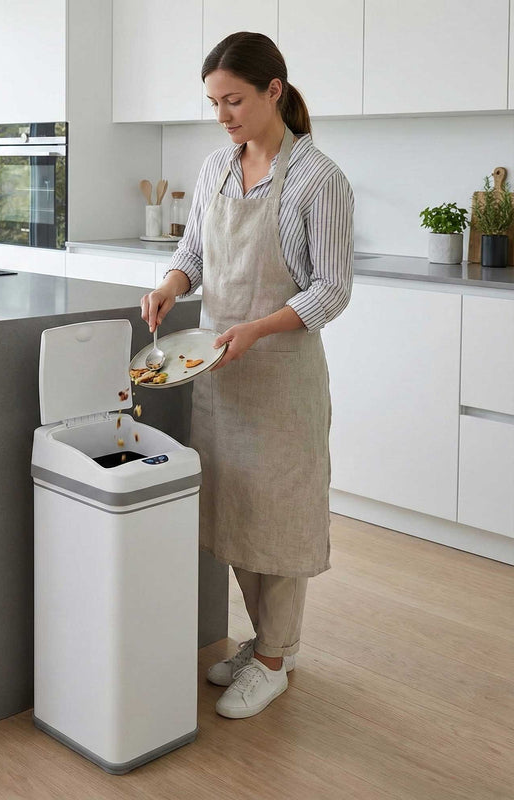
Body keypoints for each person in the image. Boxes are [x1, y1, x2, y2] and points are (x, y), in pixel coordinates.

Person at [141, 31, 354, 720]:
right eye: (214, 102)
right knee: (236, 511)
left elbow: (332, 290)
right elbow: (194, 250)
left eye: (234, 99)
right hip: (220, 372)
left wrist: (257, 329)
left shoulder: (320, 179)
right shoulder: (216, 169)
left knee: (282, 518)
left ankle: (273, 660)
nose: (224, 114)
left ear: (274, 91)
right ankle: (268, 642)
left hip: (282, 377)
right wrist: (171, 284)